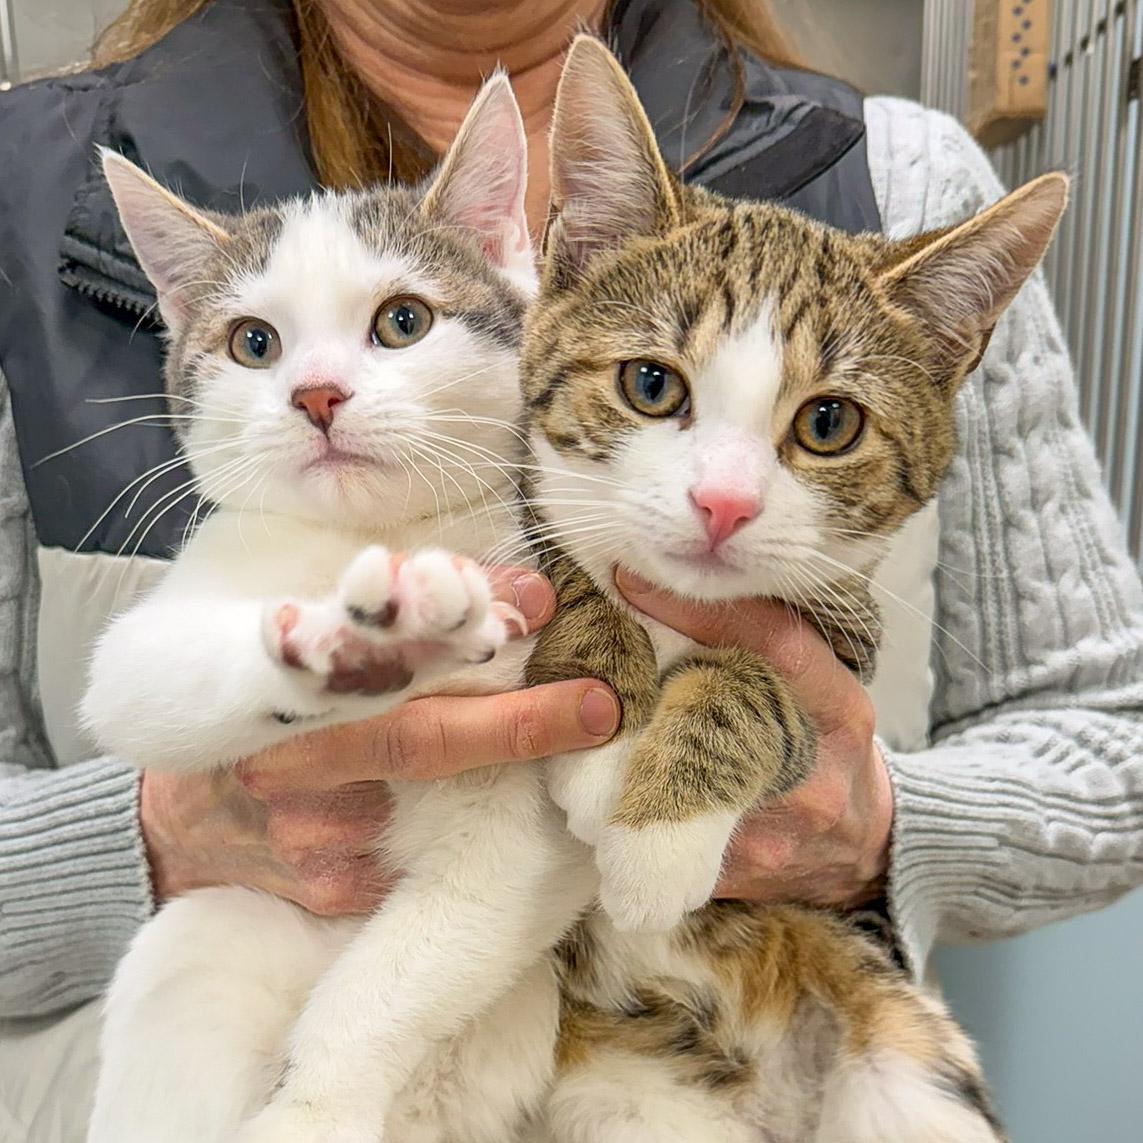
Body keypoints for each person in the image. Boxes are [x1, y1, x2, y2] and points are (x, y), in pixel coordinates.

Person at [0, 0, 1140, 1137]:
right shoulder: (31, 188)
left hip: (732, 1051)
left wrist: (875, 822)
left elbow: (1112, 746)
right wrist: (151, 839)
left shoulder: (907, 186)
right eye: (652, 388)